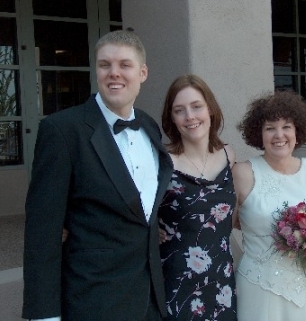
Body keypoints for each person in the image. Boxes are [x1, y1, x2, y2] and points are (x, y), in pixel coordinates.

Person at [22, 30, 173, 320]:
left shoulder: (150, 128)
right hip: (92, 300)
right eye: (105, 65)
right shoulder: (62, 130)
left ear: (142, 73)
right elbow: (42, 232)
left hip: (151, 299)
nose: (114, 73)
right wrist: (44, 314)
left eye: (124, 65)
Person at [232, 91, 306, 321]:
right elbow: (227, 226)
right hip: (260, 288)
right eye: (270, 128)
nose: (279, 135)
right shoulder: (243, 174)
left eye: (286, 126)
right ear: (259, 134)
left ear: (297, 131)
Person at [158, 74, 237, 320]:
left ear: (210, 109)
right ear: (171, 118)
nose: (190, 117)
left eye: (196, 107)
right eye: (179, 110)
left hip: (222, 285)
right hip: (177, 287)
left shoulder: (228, 155)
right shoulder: (161, 162)